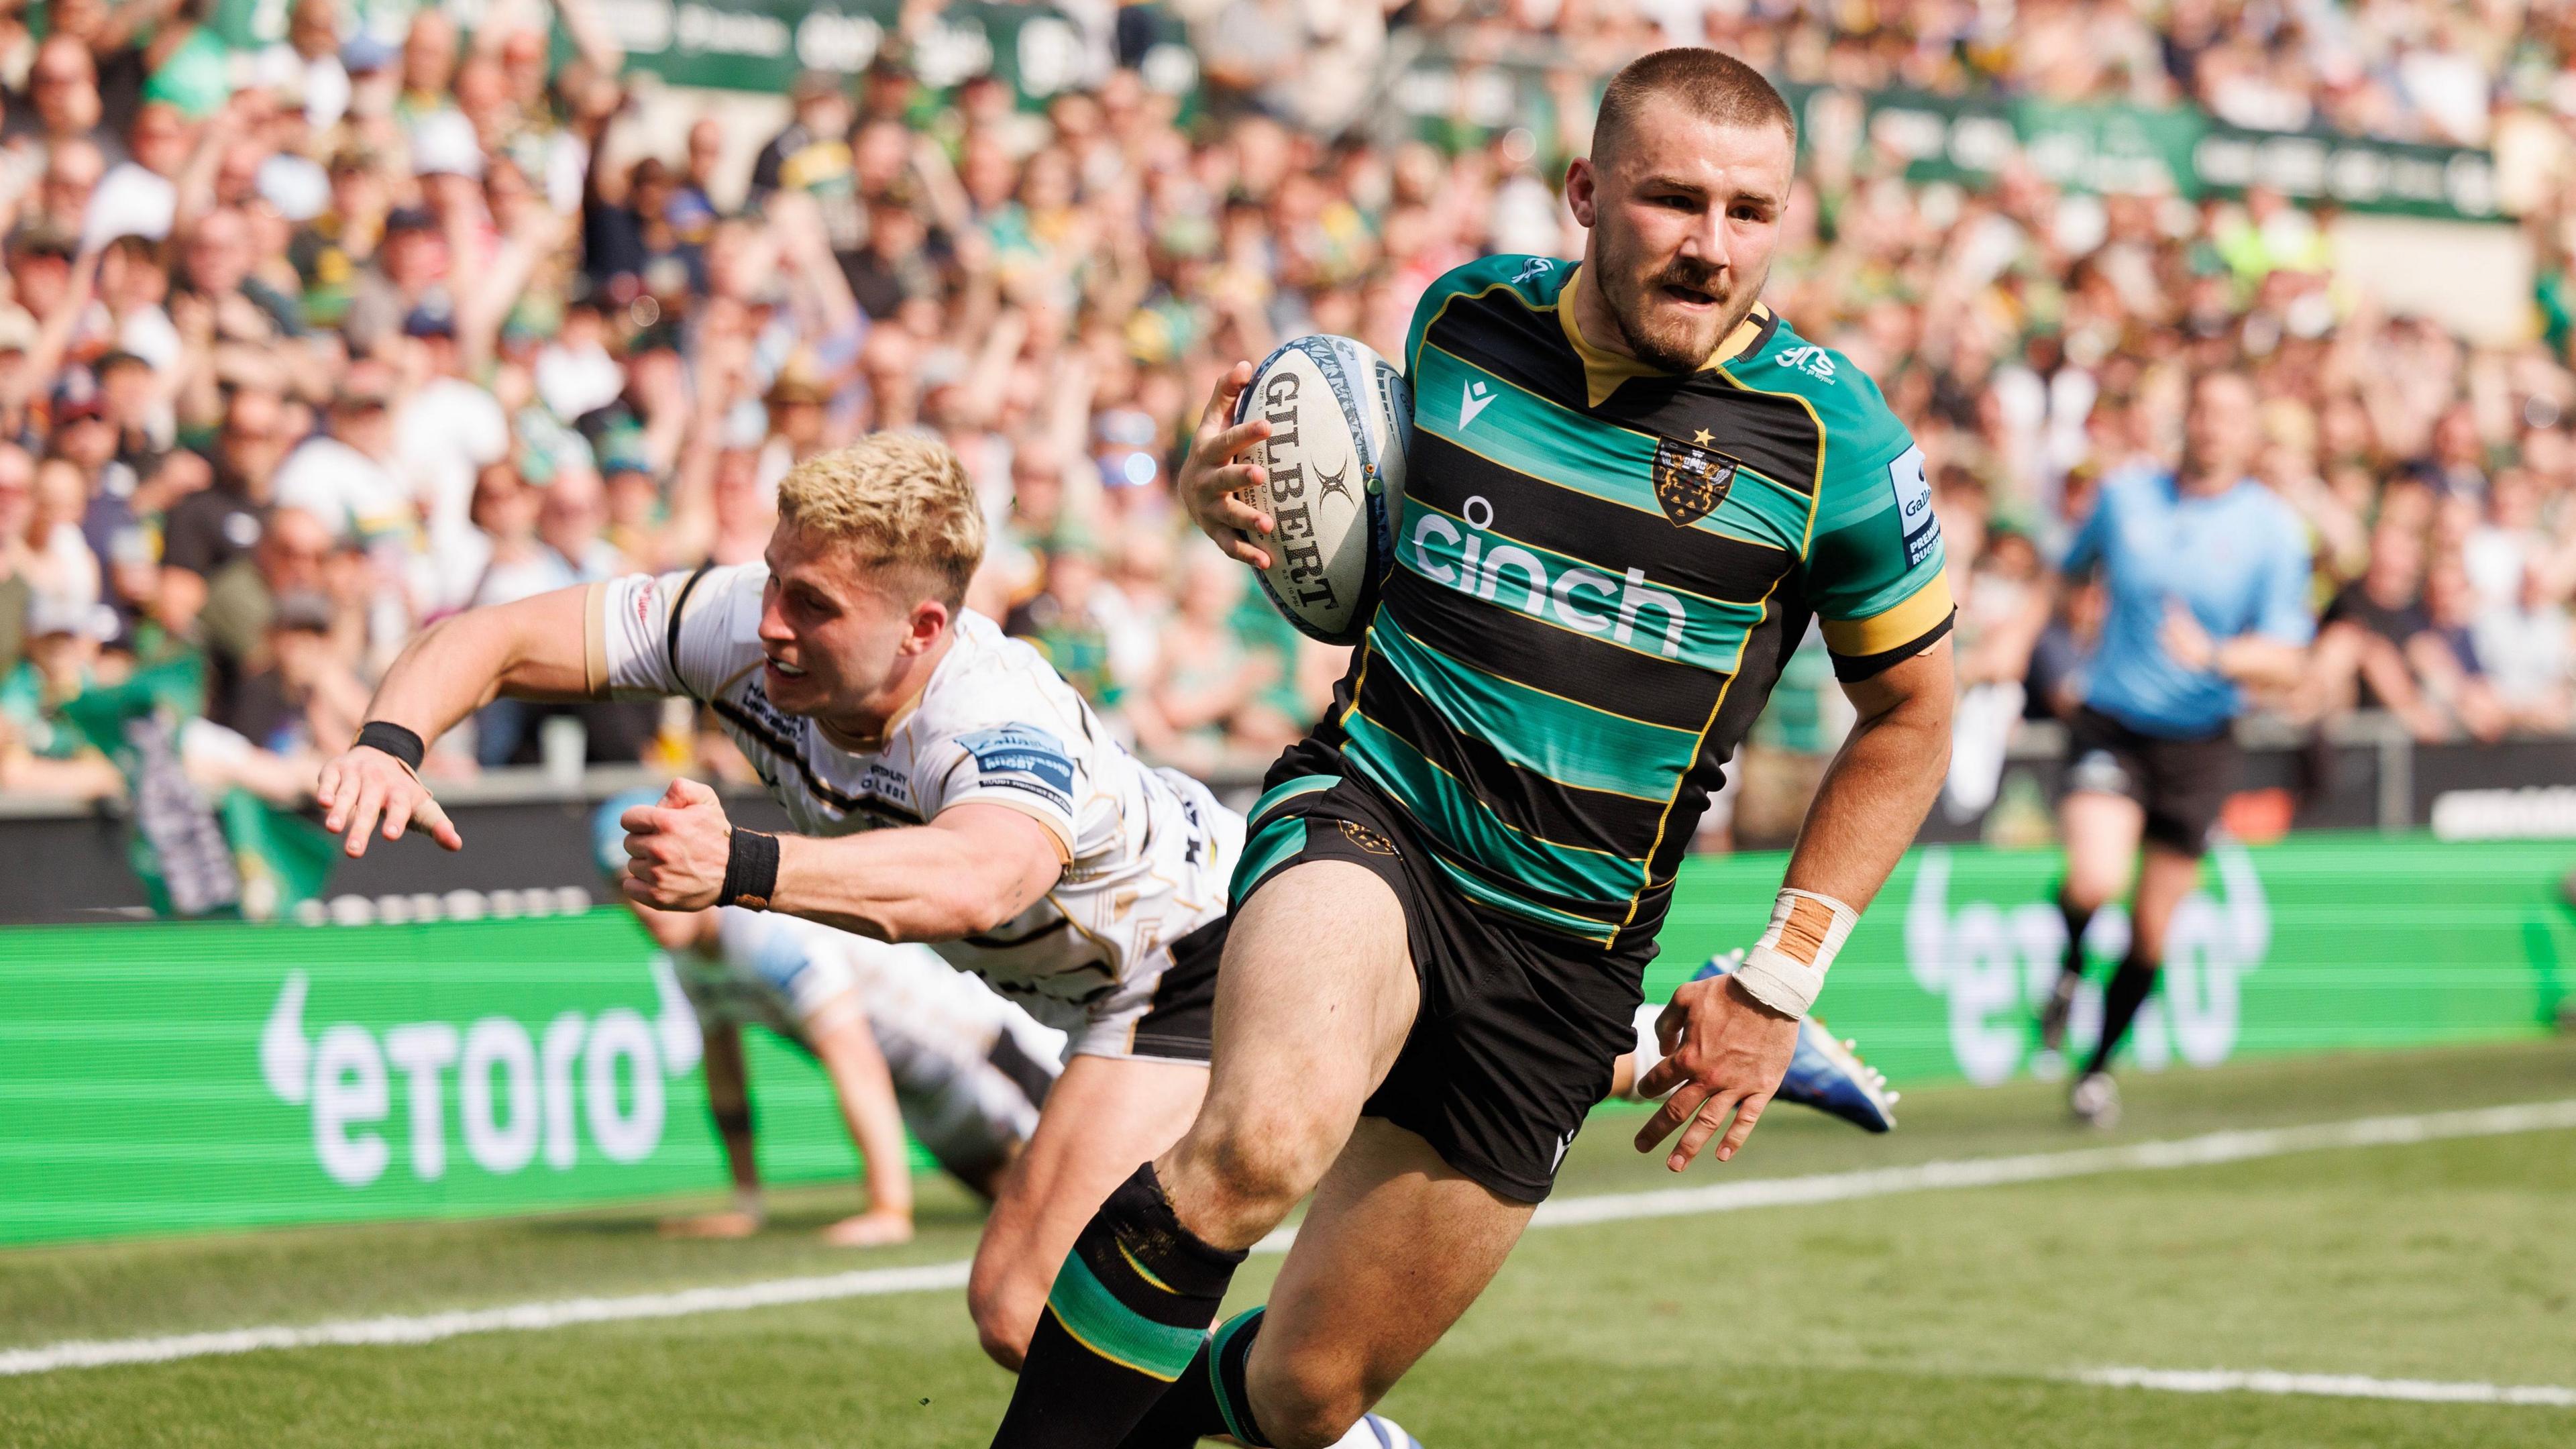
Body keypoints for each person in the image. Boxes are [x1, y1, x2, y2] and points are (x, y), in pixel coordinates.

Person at [987, 48, 1956, 1449]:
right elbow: (1368, 563)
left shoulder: (1833, 440)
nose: (1710, 247)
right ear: (1584, 192)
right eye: (1673, 201)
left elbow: (1917, 712)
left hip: (1568, 950)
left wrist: (1781, 973)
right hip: (1376, 816)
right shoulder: (1460, 321)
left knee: (1306, 1391)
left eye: (1751, 211)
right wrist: (1233, 506)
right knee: (1259, 1143)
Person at [311, 433, 1239, 1372]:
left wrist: (741, 866)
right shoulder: (737, 628)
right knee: (1063, 1322)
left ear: (921, 629)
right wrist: (389, 742)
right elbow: (498, 638)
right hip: (1098, 991)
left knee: (1024, 1301)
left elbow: (976, 879)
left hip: (1205, 953)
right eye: (771, 578)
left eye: (812, 604)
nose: (768, 623)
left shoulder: (990, 716)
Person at [586, 791, 1063, 1246]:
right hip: (919, 1091)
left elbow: (852, 1056)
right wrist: (746, 1204)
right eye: (626, 882)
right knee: (1018, 1212)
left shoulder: (762, 932)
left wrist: (887, 1211)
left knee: (1091, 1206)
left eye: (657, 871)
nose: (643, 902)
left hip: (984, 1053)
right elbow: (725, 1072)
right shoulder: (689, 959)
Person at [2035, 371, 2314, 1127]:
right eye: (2204, 409)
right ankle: (2065, 969)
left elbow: (2290, 658)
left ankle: (2095, 1070)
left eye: (2231, 412)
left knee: (2153, 929)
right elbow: (2064, 580)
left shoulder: (2273, 530)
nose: (2214, 425)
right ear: (2185, 419)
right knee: (2093, 880)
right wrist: (2064, 663)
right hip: (2114, 720)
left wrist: (2217, 657)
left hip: (2200, 741)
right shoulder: (2126, 497)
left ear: (2251, 432)